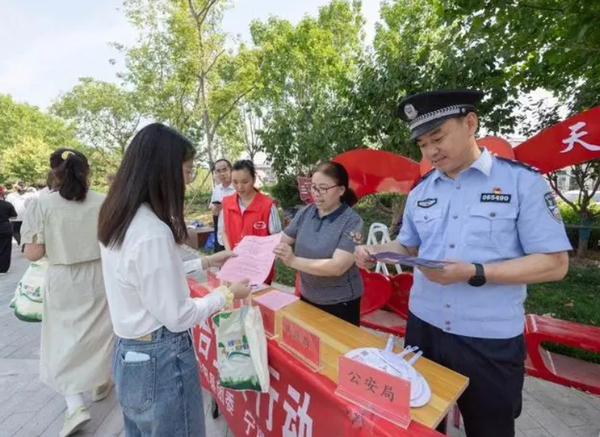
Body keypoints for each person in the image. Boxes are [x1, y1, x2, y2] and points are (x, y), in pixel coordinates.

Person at [354, 89, 571, 437]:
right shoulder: (422, 191)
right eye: (422, 144)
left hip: (487, 338)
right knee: (421, 424)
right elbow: (407, 245)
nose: (431, 151)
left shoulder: (521, 182)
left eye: (438, 137)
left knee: (490, 428)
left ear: (470, 123)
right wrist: (375, 251)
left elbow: (555, 264)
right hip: (424, 330)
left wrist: (476, 271)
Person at [98, 123, 251, 437]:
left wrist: (206, 261)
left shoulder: (118, 216)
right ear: (162, 172)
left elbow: (145, 276)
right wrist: (226, 294)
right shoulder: (152, 231)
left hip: (129, 352)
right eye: (188, 171)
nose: (189, 180)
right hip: (162, 360)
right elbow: (178, 316)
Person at [21, 149, 115, 437]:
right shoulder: (103, 201)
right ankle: (100, 382)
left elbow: (33, 253)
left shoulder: (41, 204)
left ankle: (75, 406)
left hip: (63, 277)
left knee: (62, 340)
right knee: (99, 333)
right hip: (99, 275)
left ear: (54, 172)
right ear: (86, 171)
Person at [273, 162, 364, 325]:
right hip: (308, 295)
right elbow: (281, 239)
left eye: (323, 188)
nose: (316, 193)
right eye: (313, 187)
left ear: (341, 190)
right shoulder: (305, 212)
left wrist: (293, 261)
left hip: (340, 302)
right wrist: (251, 249)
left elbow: (337, 267)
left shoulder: (352, 222)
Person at [219, 159, 282, 283]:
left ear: (253, 179)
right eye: (235, 182)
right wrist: (229, 253)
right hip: (235, 265)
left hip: (258, 270)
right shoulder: (227, 203)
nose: (239, 187)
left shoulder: (267, 205)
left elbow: (277, 238)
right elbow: (224, 231)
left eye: (245, 182)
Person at [210, 159, 234, 253]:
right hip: (220, 234)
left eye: (224, 169)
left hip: (236, 235)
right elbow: (213, 209)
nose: (222, 174)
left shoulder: (238, 188)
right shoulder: (217, 189)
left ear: (231, 170)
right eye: (218, 171)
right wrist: (215, 209)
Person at [0, 186, 17, 275]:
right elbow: (14, 216)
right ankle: (3, 269)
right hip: (5, 227)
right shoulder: (7, 204)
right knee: (6, 248)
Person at [6, 181, 26, 246]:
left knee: (15, 231)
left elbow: (8, 205)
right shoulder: (29, 195)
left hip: (16, 217)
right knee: (22, 232)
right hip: (23, 217)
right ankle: (23, 243)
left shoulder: (10, 196)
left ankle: (21, 243)